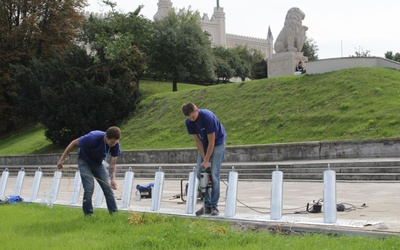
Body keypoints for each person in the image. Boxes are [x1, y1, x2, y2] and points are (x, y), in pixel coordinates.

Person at [57, 126, 122, 216]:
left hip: (99, 163)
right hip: (84, 161)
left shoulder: (115, 144)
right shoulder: (92, 137)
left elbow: (112, 163)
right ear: (106, 137)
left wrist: (113, 179)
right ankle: (88, 214)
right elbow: (73, 142)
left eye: (115, 142)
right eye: (112, 142)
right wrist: (61, 159)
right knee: (89, 188)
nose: (114, 144)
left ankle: (114, 213)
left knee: (108, 187)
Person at [181, 102, 226, 216]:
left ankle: (214, 206)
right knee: (200, 173)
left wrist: (207, 160)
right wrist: (203, 157)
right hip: (204, 144)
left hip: (217, 143)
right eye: (189, 118)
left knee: (214, 175)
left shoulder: (207, 117)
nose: (192, 119)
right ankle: (207, 205)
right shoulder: (189, 122)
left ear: (196, 110)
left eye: (193, 116)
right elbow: (197, 140)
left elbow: (212, 141)